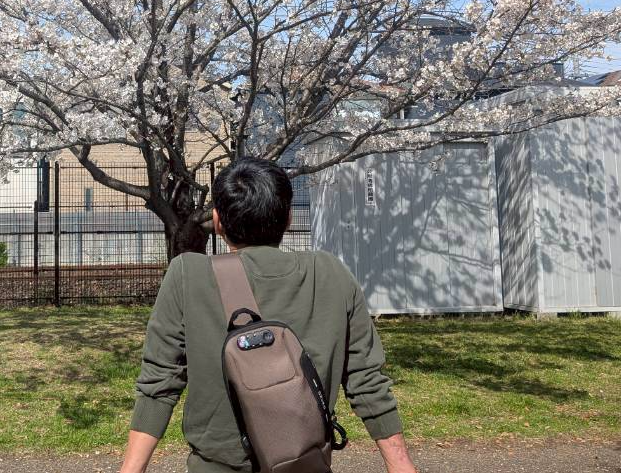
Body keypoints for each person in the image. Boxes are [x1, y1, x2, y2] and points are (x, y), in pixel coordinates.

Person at [118, 157, 417, 473]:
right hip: (305, 465)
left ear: (217, 221)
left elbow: (159, 383)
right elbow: (367, 381)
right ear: (288, 218)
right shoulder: (330, 273)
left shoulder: (188, 275)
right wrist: (401, 465)